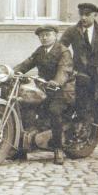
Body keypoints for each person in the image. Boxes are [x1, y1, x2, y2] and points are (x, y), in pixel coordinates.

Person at [12, 25, 75, 165]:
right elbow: (27, 63)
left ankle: (58, 149)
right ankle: (23, 148)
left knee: (54, 111)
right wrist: (11, 72)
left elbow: (64, 69)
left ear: (55, 36)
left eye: (47, 34)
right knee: (23, 105)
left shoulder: (63, 51)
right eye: (41, 36)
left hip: (62, 90)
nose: (44, 37)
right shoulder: (40, 51)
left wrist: (56, 82)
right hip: (44, 89)